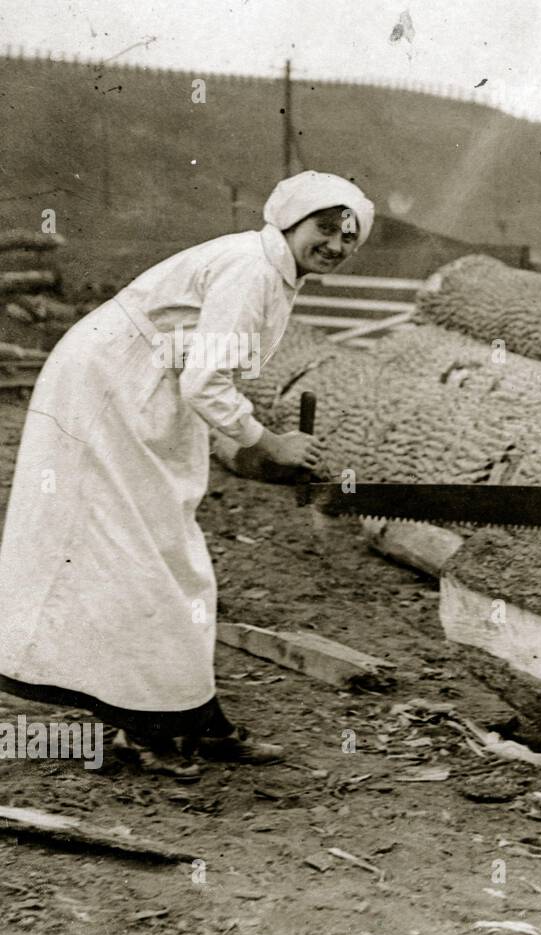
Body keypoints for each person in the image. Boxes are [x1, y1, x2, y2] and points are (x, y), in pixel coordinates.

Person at [0, 171, 375, 778]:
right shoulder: (254, 266)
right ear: (291, 221)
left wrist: (248, 452)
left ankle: (192, 721)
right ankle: (149, 730)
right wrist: (265, 439)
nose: (335, 243)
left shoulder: (275, 274)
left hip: (147, 387)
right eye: (325, 228)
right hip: (108, 387)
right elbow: (206, 380)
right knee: (144, 555)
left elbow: (205, 374)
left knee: (166, 558)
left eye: (348, 237)